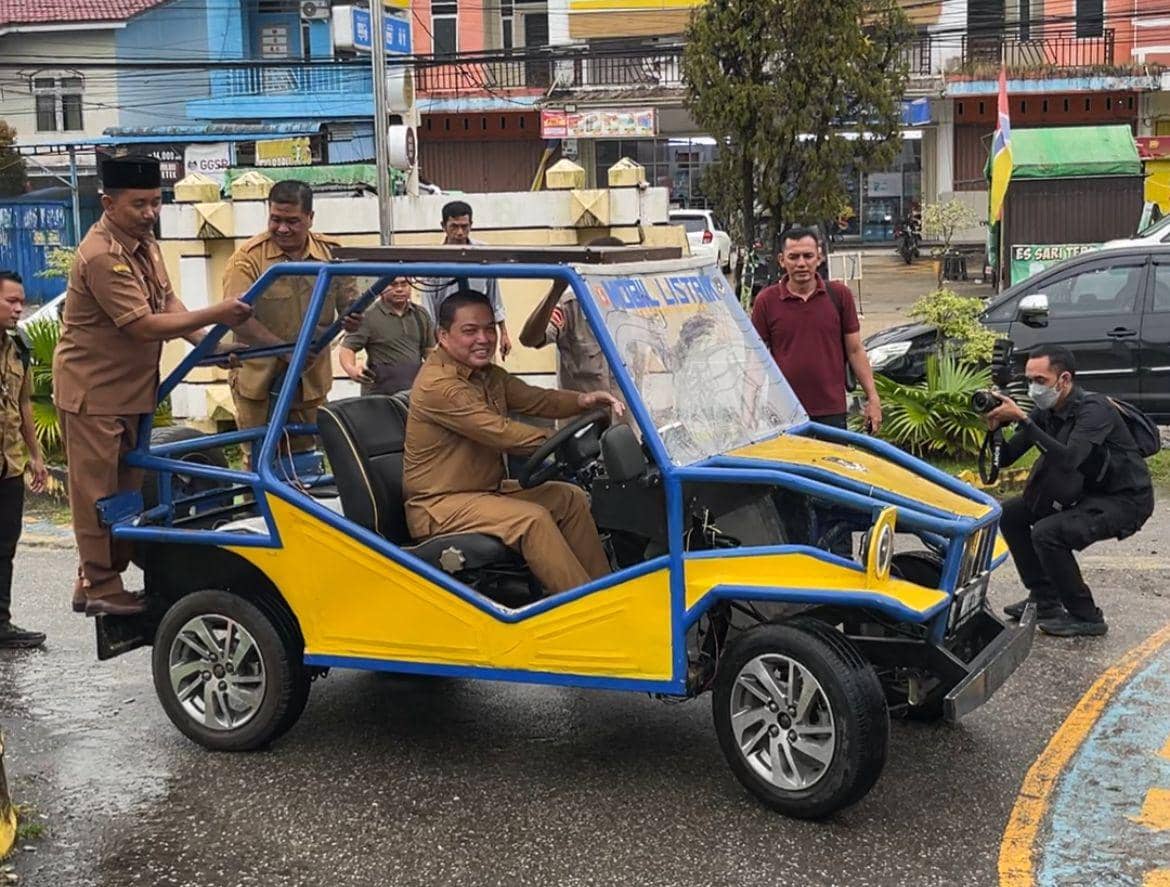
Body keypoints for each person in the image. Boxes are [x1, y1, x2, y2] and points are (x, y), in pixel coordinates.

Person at [54, 155, 253, 616]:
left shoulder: (144, 243)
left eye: (155, 202)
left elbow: (167, 299)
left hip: (133, 390)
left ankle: (93, 578)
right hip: (94, 393)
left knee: (127, 489)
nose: (149, 213)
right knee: (96, 493)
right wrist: (219, 312)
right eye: (139, 204)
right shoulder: (101, 254)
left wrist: (207, 343)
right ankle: (102, 585)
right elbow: (141, 325)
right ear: (108, 203)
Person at [404, 290, 621, 595]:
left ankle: (607, 592)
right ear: (443, 335)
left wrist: (583, 400)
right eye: (470, 331)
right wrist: (561, 442)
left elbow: (536, 399)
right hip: (440, 505)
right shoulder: (439, 385)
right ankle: (585, 606)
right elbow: (500, 432)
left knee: (569, 498)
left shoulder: (486, 375)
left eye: (489, 329)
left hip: (483, 491)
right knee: (531, 520)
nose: (483, 339)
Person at [985, 345, 1154, 637]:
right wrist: (995, 428)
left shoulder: (1094, 410)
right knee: (1011, 513)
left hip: (1125, 499)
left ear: (1064, 379)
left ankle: (1086, 616)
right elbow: (1008, 457)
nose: (1034, 388)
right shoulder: (1046, 411)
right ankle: (1045, 600)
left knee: (1048, 533)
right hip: (1087, 492)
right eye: (1029, 380)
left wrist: (1024, 420)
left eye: (1040, 381)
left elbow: (1069, 460)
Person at [222, 180, 357, 458]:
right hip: (259, 384)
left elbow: (351, 306)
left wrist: (354, 320)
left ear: (310, 217)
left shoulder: (331, 254)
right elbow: (236, 318)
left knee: (307, 458)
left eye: (292, 221)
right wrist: (285, 351)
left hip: (310, 382)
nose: (282, 228)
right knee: (261, 459)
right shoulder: (247, 259)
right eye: (275, 219)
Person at [751, 226, 882, 433]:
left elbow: (855, 350)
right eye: (793, 257)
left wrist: (873, 398)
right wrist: (749, 410)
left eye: (808, 256)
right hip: (784, 413)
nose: (801, 263)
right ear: (782, 260)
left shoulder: (839, 295)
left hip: (832, 411)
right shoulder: (766, 301)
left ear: (819, 258)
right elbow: (755, 359)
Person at [517, 236, 627, 405]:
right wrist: (556, 291)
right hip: (585, 416)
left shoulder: (634, 307)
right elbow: (529, 339)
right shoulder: (570, 305)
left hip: (628, 417)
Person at [0, 272, 48, 648]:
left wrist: (35, 455)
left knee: (5, 546)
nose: (19, 309)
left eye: (21, 301)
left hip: (9, 465)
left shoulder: (19, 347)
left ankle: (1, 623)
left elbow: (24, 403)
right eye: (11, 301)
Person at [417, 200, 511, 360]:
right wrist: (435, 342)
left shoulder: (483, 253)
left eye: (464, 226)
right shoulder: (433, 259)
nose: (460, 232)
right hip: (450, 334)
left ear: (471, 225)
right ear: (443, 226)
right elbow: (429, 305)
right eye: (454, 226)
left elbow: (494, 297)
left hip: (480, 331)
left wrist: (503, 333)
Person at [339, 276, 432, 395]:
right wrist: (352, 370)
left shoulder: (420, 314)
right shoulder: (368, 315)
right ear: (381, 287)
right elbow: (347, 349)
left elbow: (429, 351)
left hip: (413, 393)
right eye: (393, 284)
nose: (399, 289)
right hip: (380, 395)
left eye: (404, 284)